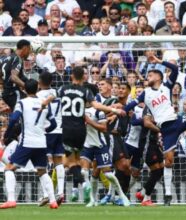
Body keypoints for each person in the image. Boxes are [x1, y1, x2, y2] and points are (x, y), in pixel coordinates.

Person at [41, 66, 124, 201]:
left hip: (67, 129)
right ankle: (82, 182)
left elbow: (50, 98)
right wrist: (114, 110)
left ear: (72, 76)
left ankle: (84, 183)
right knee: (78, 160)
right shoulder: (85, 91)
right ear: (84, 77)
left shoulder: (63, 89)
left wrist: (43, 105)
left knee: (67, 162)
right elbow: (96, 105)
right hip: (81, 130)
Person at [123, 54, 186, 206]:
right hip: (166, 130)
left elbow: (174, 68)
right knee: (168, 162)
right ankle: (167, 195)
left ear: (159, 78)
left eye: (151, 74)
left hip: (177, 121)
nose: (148, 76)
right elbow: (129, 106)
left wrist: (159, 61)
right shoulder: (145, 94)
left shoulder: (166, 87)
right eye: (147, 74)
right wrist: (119, 109)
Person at [0, 79, 58, 209]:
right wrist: (44, 131)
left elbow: (14, 118)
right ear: (37, 88)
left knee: (9, 169)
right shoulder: (44, 104)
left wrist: (7, 135)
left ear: (24, 90)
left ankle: (11, 199)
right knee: (42, 171)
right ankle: (53, 201)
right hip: (41, 143)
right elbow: (53, 125)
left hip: (27, 143)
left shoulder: (22, 103)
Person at [80, 104, 130, 207]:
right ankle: (92, 199)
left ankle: (122, 196)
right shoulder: (78, 110)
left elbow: (103, 128)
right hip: (87, 145)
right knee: (84, 172)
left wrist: (89, 121)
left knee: (108, 174)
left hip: (100, 145)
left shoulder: (99, 111)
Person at [36, 72, 65, 206]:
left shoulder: (38, 96)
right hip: (59, 129)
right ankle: (61, 192)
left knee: (43, 163)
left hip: (46, 131)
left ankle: (47, 194)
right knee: (59, 161)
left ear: (40, 82)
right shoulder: (56, 92)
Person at [1, 39, 30, 111]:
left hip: (5, 92)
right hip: (13, 92)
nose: (29, 52)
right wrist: (27, 87)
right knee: (21, 112)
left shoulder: (6, 58)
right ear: (25, 48)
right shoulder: (17, 58)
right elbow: (13, 77)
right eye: (29, 50)